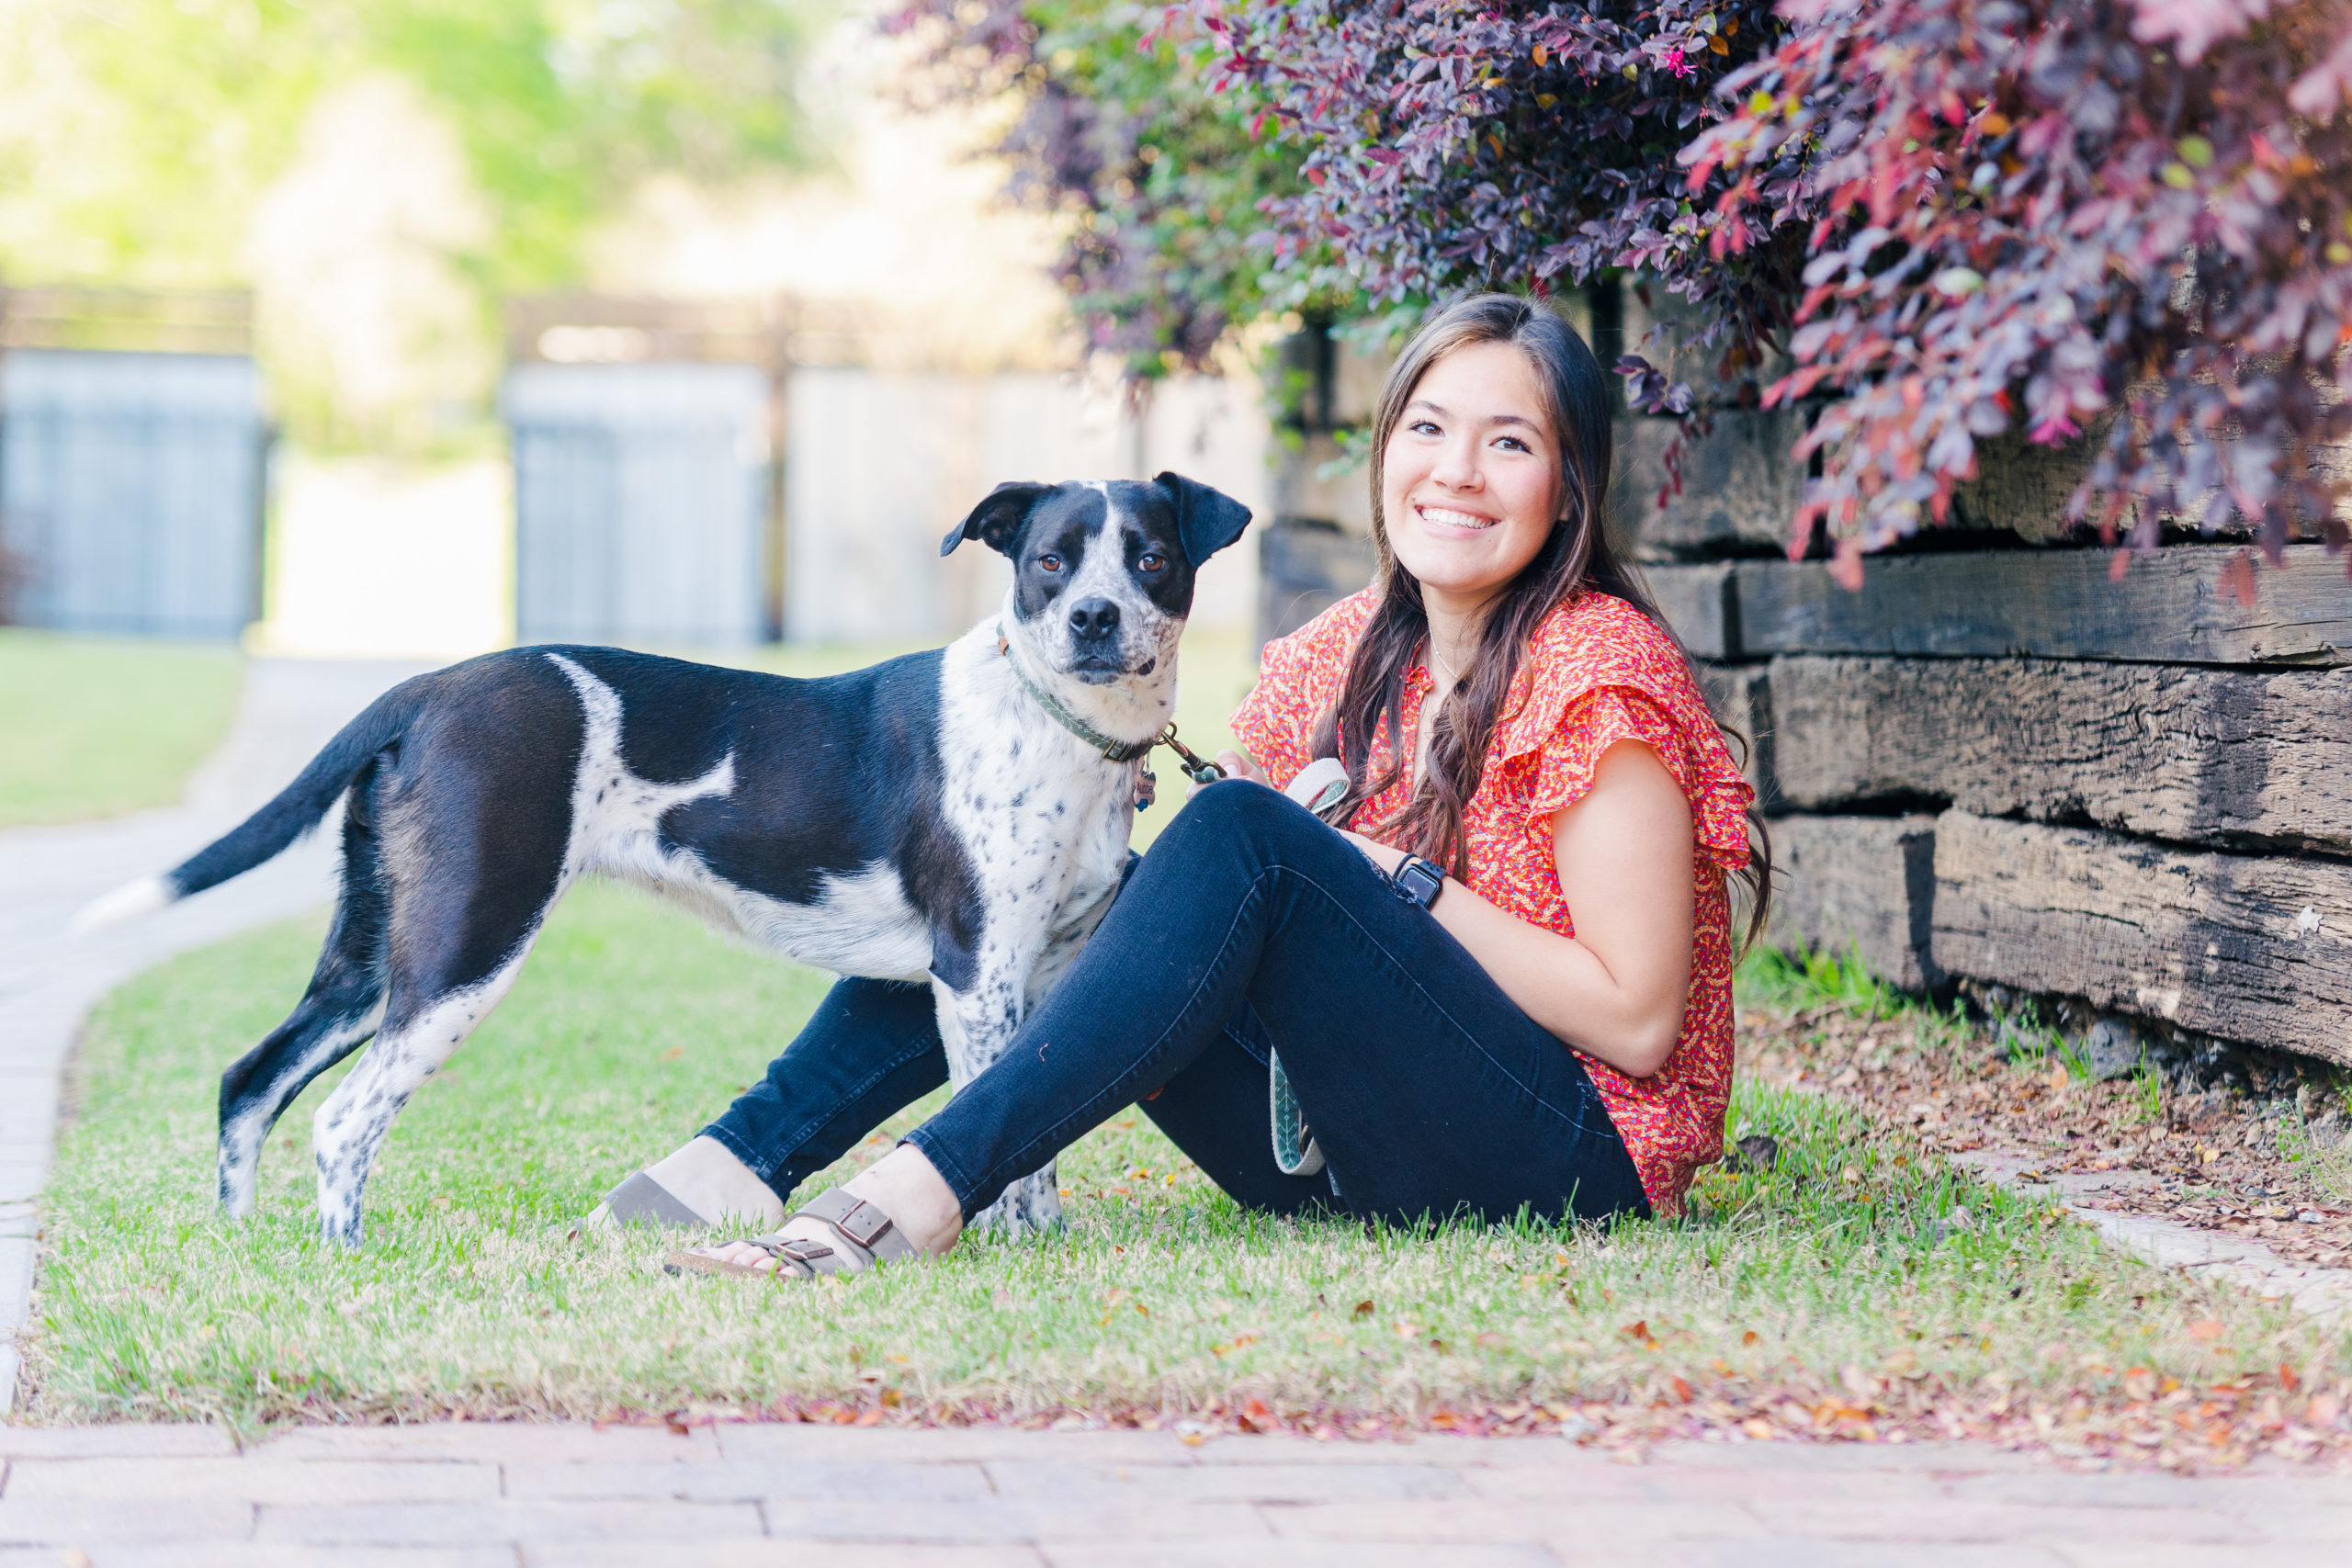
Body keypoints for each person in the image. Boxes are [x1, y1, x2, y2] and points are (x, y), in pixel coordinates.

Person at [629, 292, 1769, 1279]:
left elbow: (1635, 1019)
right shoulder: (1347, 649)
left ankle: (915, 1197)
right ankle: (746, 1154)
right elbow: (1228, 921)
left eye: (1510, 444)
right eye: (1428, 427)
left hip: (1563, 1154)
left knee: (1241, 831)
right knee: (1053, 888)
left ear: (1570, 490)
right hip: (1331, 1145)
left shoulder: (1599, 670)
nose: (1457, 472)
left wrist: (1388, 877)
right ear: (1386, 452)